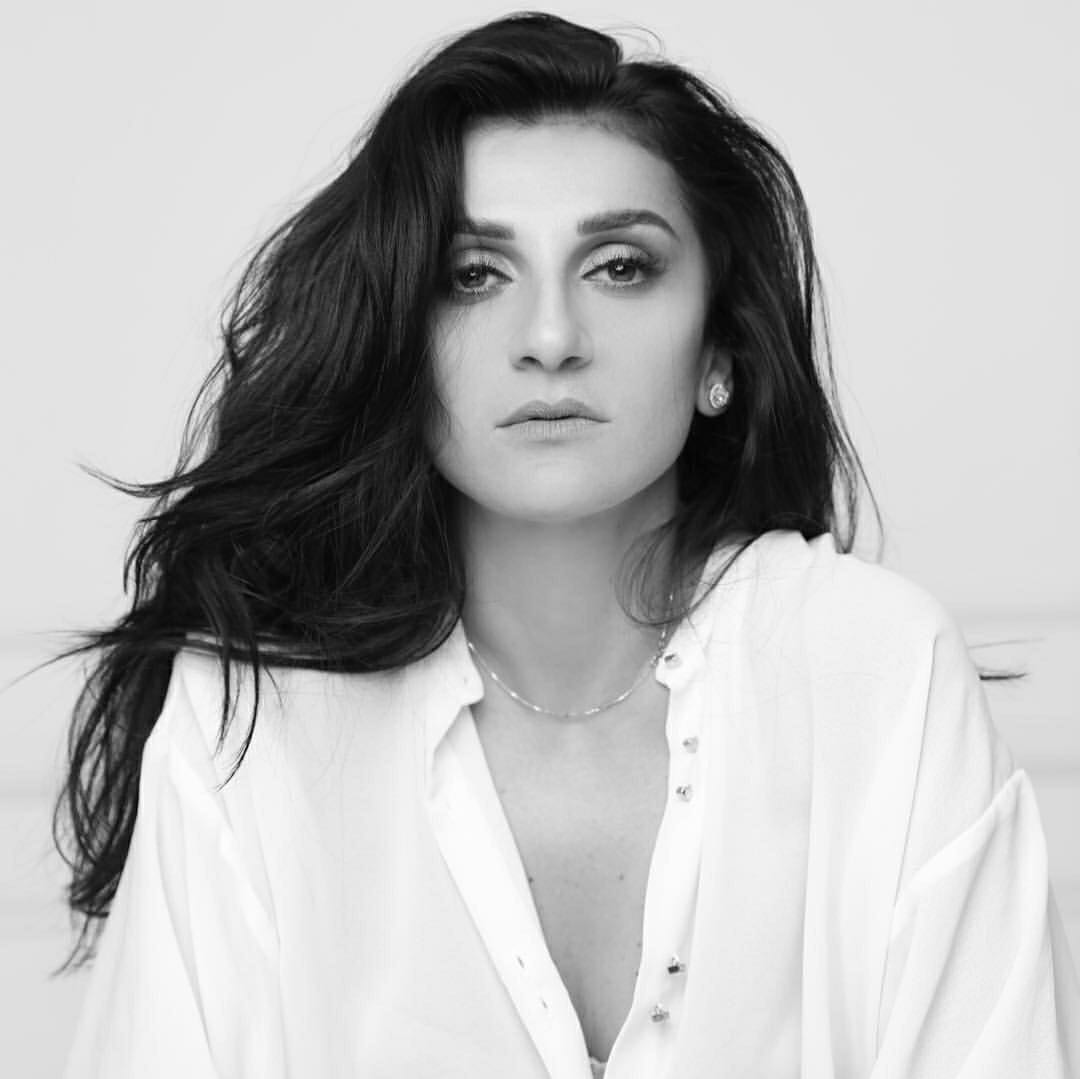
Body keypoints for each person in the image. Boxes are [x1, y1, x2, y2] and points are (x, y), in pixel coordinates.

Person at [53, 11, 1079, 1078]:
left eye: (620, 267)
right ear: (400, 340)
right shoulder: (252, 716)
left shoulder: (883, 676)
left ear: (719, 350)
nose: (550, 339)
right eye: (473, 275)